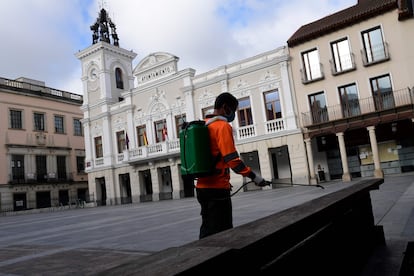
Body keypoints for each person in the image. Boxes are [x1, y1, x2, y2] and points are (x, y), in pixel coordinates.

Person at [196, 92, 267, 239]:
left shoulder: (204, 125)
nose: (233, 114)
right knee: (223, 232)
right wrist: (255, 177)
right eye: (233, 110)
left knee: (208, 228)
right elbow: (232, 161)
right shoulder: (222, 126)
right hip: (217, 190)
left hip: (202, 188)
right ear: (225, 107)